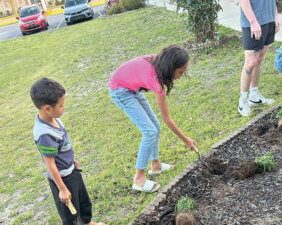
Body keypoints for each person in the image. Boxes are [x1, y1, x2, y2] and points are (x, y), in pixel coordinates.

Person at [109, 45, 198, 193]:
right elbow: (168, 119)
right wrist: (186, 140)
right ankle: (139, 179)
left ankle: (155, 165)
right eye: (180, 72)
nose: (182, 75)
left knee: (154, 126)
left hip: (132, 88)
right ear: (170, 68)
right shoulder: (157, 80)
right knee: (150, 131)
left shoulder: (160, 63)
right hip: (120, 91)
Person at [30, 78, 105, 225]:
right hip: (62, 178)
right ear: (47, 108)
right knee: (70, 214)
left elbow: (63, 144)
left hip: (72, 170)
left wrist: (71, 160)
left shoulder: (53, 117)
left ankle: (88, 222)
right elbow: (50, 164)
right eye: (61, 105)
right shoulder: (44, 134)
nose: (64, 107)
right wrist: (63, 189)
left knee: (83, 201)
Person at [237, 0, 281, 116]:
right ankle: (243, 100)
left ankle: (254, 95)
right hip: (253, 23)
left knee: (259, 58)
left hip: (268, 20)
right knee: (251, 62)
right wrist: (253, 22)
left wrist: (275, 15)